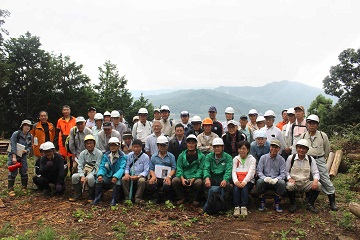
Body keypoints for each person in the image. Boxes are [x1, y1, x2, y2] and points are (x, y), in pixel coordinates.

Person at [299, 114, 338, 211]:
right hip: (307, 159)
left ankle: (332, 202)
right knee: (309, 178)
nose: (311, 125)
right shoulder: (303, 135)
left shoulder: (322, 135)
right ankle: (309, 200)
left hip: (319, 159)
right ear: (307, 124)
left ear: (317, 125)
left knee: (325, 179)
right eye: (309, 123)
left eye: (314, 123)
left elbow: (327, 149)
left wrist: (321, 158)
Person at [286, 139, 322, 213]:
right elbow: (285, 171)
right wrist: (289, 178)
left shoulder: (310, 159)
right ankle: (293, 204)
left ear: (307, 150)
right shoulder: (291, 158)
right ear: (296, 148)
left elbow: (316, 172)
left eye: (304, 148)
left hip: (305, 183)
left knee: (319, 185)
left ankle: (310, 204)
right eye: (300, 148)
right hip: (294, 182)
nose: (301, 150)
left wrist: (315, 180)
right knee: (289, 186)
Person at [91, 137, 127, 206]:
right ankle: (97, 198)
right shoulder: (106, 156)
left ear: (118, 146)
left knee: (118, 182)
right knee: (98, 180)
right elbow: (102, 166)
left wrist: (116, 176)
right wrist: (100, 174)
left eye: (115, 145)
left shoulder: (123, 156)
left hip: (117, 177)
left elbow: (122, 168)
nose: (113, 147)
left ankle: (114, 200)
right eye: (111, 145)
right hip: (108, 176)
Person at [172, 134, 205, 206]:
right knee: (175, 180)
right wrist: (182, 178)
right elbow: (179, 168)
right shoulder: (181, 155)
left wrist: (194, 178)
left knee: (199, 182)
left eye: (193, 143)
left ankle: (194, 199)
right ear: (186, 144)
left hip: (195, 176)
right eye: (189, 143)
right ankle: (181, 198)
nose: (191, 145)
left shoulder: (201, 156)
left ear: (196, 144)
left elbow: (201, 169)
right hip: (184, 176)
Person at [69, 135, 102, 202]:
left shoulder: (99, 153)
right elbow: (80, 165)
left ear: (94, 144)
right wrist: (82, 175)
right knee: (74, 176)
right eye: (87, 143)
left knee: (90, 177)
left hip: (94, 173)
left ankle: (91, 195)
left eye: (91, 143)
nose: (89, 145)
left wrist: (90, 175)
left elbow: (97, 166)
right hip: (84, 172)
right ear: (85, 144)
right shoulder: (82, 153)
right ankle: (78, 194)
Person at [256, 139, 286, 213]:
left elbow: (283, 173)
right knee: (259, 182)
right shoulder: (263, 158)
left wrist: (276, 179)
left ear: (279, 149)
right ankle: (262, 202)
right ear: (270, 147)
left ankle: (277, 202)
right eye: (272, 147)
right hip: (266, 180)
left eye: (276, 147)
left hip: (276, 181)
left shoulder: (281, 160)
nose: (274, 149)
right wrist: (264, 178)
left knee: (282, 183)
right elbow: (259, 171)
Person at [147, 136, 176, 203]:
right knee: (151, 183)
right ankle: (155, 198)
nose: (162, 147)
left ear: (167, 146)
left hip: (167, 177)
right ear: (158, 146)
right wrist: (153, 176)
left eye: (164, 145)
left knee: (167, 184)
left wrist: (169, 177)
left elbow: (173, 168)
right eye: (161, 145)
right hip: (156, 177)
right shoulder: (154, 157)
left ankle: (166, 199)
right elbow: (151, 168)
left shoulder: (171, 156)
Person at [8, 120, 32, 196]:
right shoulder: (16, 134)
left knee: (24, 171)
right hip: (14, 155)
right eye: (25, 125)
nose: (27, 127)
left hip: (23, 156)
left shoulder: (30, 136)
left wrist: (27, 150)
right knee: (13, 172)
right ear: (22, 126)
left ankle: (24, 187)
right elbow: (13, 145)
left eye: (28, 126)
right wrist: (14, 157)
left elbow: (29, 146)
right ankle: (10, 189)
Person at [203, 138, 232, 202]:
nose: (216, 149)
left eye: (218, 147)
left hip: (222, 178)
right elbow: (206, 168)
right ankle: (209, 202)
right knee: (204, 183)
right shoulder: (208, 156)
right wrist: (207, 178)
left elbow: (228, 170)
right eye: (215, 147)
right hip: (212, 177)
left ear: (223, 147)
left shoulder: (228, 157)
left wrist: (225, 179)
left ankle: (223, 203)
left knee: (227, 185)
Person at [232, 141, 256, 217]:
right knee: (236, 188)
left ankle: (243, 207)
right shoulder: (235, 159)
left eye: (243, 148)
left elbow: (251, 172)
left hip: (249, 181)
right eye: (240, 148)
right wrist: (236, 181)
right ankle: (236, 207)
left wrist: (245, 181)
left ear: (248, 150)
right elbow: (233, 171)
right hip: (238, 180)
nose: (241, 150)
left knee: (244, 187)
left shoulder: (252, 159)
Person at [56, 105, 76, 175]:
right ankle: (63, 174)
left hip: (71, 141)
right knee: (62, 159)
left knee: (72, 159)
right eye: (64, 110)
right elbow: (57, 132)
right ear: (62, 111)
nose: (66, 111)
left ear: (70, 111)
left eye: (67, 110)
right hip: (62, 142)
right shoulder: (59, 121)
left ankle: (72, 174)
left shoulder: (74, 120)